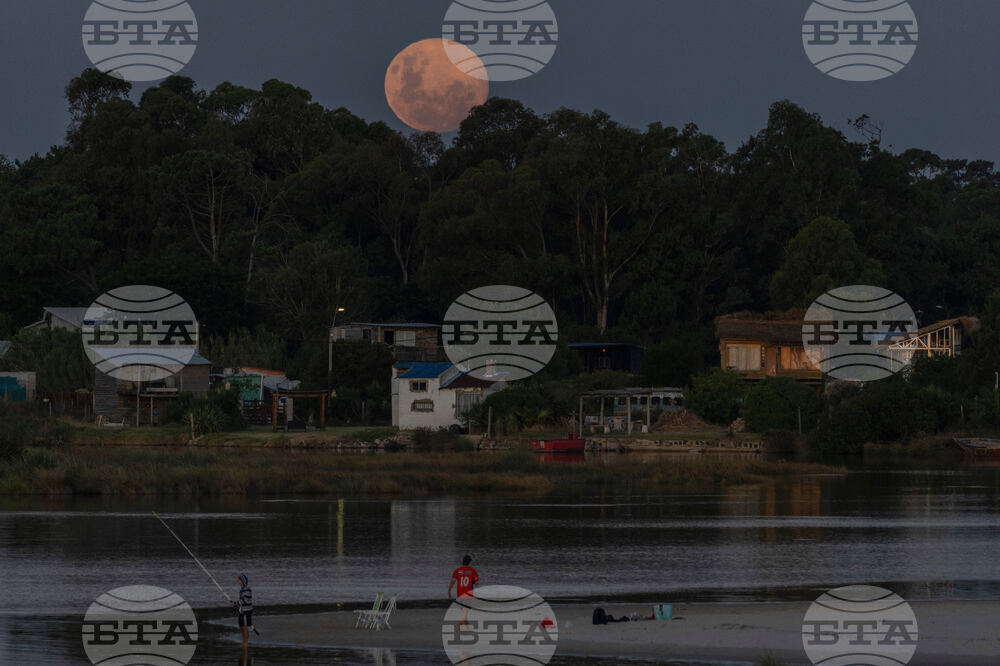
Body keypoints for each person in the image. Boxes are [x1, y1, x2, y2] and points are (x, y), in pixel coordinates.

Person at [231, 574, 253, 650]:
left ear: (242, 581)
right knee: (242, 627)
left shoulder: (246, 589)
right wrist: (236, 605)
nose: (238, 581)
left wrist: (236, 603)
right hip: (242, 611)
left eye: (239, 580)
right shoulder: (242, 589)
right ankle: (244, 642)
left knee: (244, 627)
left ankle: (245, 643)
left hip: (246, 612)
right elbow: (242, 602)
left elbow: (244, 601)